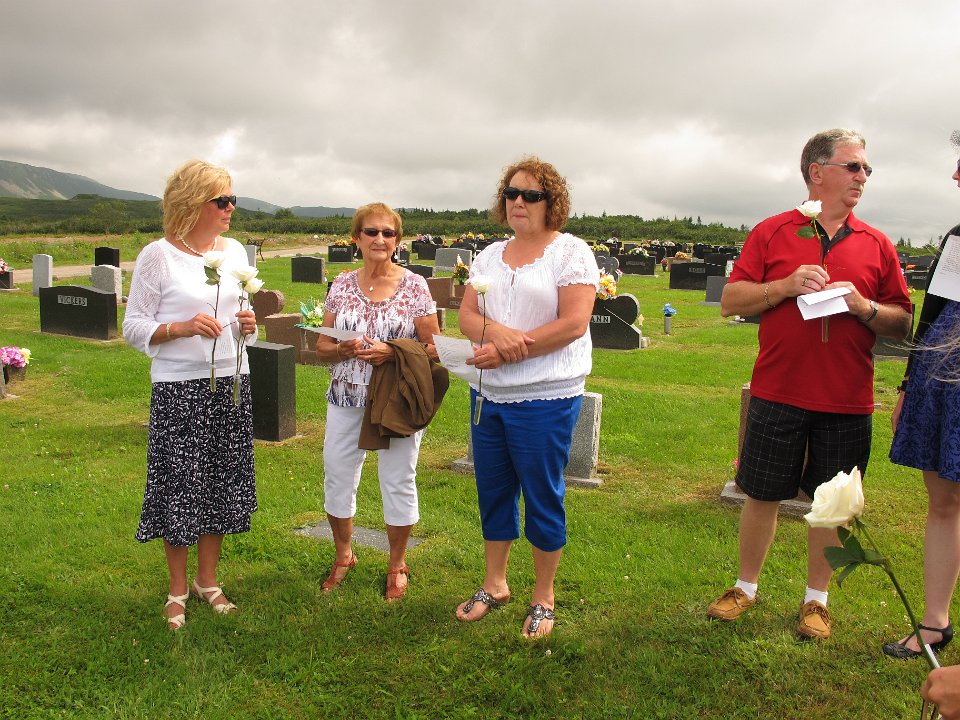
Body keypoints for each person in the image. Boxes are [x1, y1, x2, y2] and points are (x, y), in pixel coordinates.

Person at [707, 128, 912, 639]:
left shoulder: (876, 243)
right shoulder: (773, 231)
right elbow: (731, 300)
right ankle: (745, 587)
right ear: (817, 172)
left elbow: (902, 321)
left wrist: (863, 306)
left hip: (847, 398)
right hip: (778, 390)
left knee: (832, 504)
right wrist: (782, 286)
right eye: (853, 166)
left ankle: (816, 600)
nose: (863, 177)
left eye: (867, 168)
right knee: (761, 493)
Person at [454, 156, 599, 638]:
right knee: (493, 490)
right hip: (488, 394)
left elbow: (573, 323)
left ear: (551, 202)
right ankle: (494, 583)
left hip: (545, 397)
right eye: (511, 193)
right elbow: (467, 316)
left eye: (531, 195)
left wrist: (510, 350)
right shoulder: (490, 255)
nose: (519, 201)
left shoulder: (571, 252)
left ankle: (543, 596)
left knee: (541, 494)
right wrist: (494, 333)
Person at [123, 160, 259, 629]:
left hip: (232, 380)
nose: (230, 207)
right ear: (192, 203)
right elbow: (133, 326)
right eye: (222, 200)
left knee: (220, 482)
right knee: (180, 485)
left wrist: (249, 325)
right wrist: (179, 328)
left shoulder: (235, 251)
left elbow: (243, 314)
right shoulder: (158, 255)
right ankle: (177, 589)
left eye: (232, 199)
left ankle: (208, 581)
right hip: (180, 386)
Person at [314, 202, 442, 602]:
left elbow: (434, 347)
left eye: (388, 233)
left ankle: (397, 563)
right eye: (371, 232)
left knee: (398, 478)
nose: (380, 239)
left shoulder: (415, 286)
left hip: (396, 399)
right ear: (357, 238)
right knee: (338, 474)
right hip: (346, 396)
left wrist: (392, 351)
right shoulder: (341, 284)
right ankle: (343, 555)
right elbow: (322, 347)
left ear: (398, 240)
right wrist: (343, 348)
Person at [883, 152, 960, 659]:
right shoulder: (959, 239)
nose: (955, 174)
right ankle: (935, 622)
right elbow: (931, 315)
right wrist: (909, 386)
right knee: (944, 502)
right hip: (943, 381)